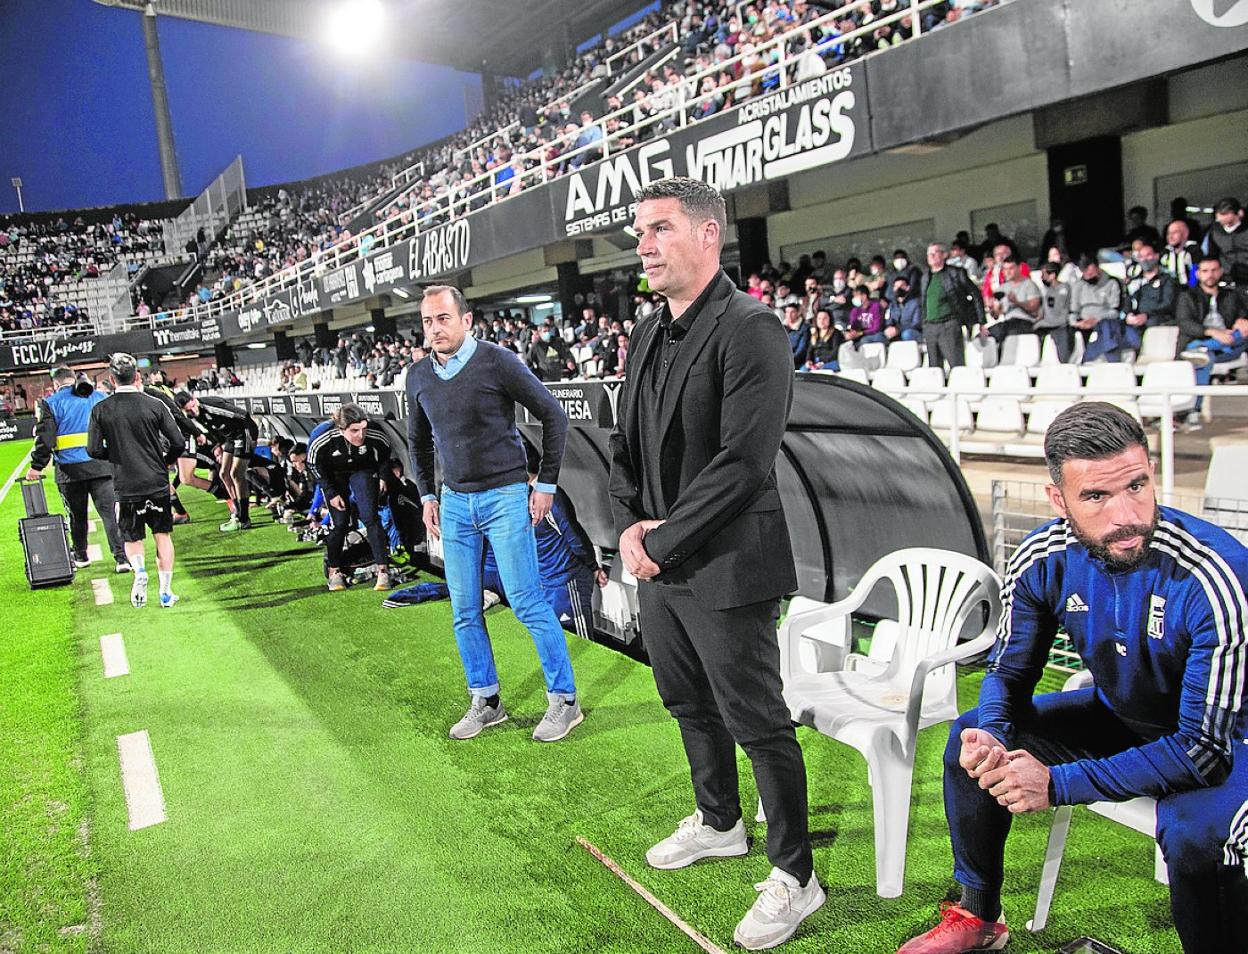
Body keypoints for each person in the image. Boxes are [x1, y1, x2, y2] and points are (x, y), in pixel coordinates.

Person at [898, 402, 1248, 954]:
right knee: (969, 742)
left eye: (1137, 485)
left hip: (1227, 744)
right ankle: (979, 915)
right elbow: (1010, 672)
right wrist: (992, 732)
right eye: (1096, 497)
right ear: (1058, 499)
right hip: (1124, 719)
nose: (1125, 515)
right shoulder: (1041, 555)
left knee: (1195, 837)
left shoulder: (1215, 575)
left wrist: (1057, 784)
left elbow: (1202, 750)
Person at [608, 177, 823, 951]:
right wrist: (630, 523)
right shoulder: (645, 329)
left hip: (727, 561)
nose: (644, 244)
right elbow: (623, 438)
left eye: (660, 228)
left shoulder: (751, 326)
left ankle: (796, 875)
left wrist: (657, 544)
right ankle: (720, 821)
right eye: (640, 231)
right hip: (661, 563)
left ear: (708, 235)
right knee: (686, 703)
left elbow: (743, 463)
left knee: (758, 720)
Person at [407, 284, 582, 744]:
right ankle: (487, 701)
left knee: (526, 601)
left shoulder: (499, 361)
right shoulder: (418, 375)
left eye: (443, 318)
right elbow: (418, 442)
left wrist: (545, 482)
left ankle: (565, 700)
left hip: (506, 496)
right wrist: (427, 495)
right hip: (455, 502)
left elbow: (554, 416)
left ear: (467, 321)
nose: (434, 329)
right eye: (427, 321)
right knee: (464, 610)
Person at [85, 353, 184, 609]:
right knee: (162, 535)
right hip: (156, 480)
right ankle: (165, 592)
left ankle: (139, 571)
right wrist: (164, 461)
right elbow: (178, 442)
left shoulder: (100, 409)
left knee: (131, 538)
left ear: (111, 379)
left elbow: (93, 450)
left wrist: (117, 455)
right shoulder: (155, 405)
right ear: (137, 376)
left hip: (125, 484)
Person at [26, 367, 129, 572]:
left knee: (77, 515)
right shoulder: (99, 397)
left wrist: (37, 465)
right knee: (110, 514)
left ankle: (81, 555)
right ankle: (121, 558)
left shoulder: (51, 403)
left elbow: (45, 438)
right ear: (73, 379)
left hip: (69, 470)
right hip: (102, 467)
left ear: (55, 384)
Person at [307, 403, 393, 592]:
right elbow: (314, 465)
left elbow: (386, 454)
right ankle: (334, 570)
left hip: (363, 469)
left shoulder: (374, 433)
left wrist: (383, 477)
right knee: (340, 523)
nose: (360, 435)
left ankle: (383, 570)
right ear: (341, 429)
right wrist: (331, 492)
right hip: (334, 473)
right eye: (354, 431)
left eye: (363, 429)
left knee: (370, 517)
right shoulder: (323, 437)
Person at [1176, 254, 1248, 427]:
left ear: (1221, 272)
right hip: (1206, 343)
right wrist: (1213, 333)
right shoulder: (1187, 296)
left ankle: (1200, 348)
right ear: (1198, 274)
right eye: (1205, 271)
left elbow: (1242, 317)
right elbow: (1185, 323)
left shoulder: (1231, 295)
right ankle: (1194, 410)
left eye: (1214, 270)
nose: (1210, 275)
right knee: (1205, 359)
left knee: (1241, 335)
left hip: (1229, 345)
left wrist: (1242, 320)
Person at [177, 393, 259, 531]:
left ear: (194, 400)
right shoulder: (194, 415)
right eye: (187, 410)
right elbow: (212, 429)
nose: (191, 411)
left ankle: (244, 518)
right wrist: (219, 445)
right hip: (229, 437)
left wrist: (253, 439)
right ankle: (237, 513)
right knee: (223, 474)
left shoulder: (211, 406)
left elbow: (244, 415)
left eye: (191, 407)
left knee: (236, 474)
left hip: (242, 433)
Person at [920, 242, 983, 370]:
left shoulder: (956, 273)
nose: (931, 256)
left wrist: (980, 321)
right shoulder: (926, 277)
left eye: (935, 252)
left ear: (944, 255)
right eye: (929, 253)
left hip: (949, 324)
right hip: (930, 326)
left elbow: (975, 294)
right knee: (934, 369)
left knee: (956, 364)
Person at [1070, 255, 1125, 363]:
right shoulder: (1078, 285)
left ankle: (1102, 359)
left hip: (1105, 319)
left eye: (1090, 272)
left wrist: (1096, 319)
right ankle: (1082, 360)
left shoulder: (1112, 282)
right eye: (1085, 273)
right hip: (1083, 322)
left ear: (1096, 267)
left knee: (1107, 328)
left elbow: (1115, 311)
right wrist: (1076, 323)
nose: (1088, 276)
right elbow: (1073, 310)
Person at [981, 256, 1041, 348]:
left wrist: (1017, 302)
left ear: (1019, 268)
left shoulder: (1029, 285)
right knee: (983, 336)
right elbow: (996, 315)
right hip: (1007, 322)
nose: (1007, 272)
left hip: (1025, 322)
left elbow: (1034, 309)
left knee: (1010, 337)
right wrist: (993, 309)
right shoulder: (1003, 288)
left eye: (1011, 268)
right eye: (1005, 269)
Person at [1203, 197, 1248, 286]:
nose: (1227, 227)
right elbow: (1211, 256)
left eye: (1230, 223)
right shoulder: (1214, 232)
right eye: (1222, 223)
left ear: (1240, 214)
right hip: (1227, 278)